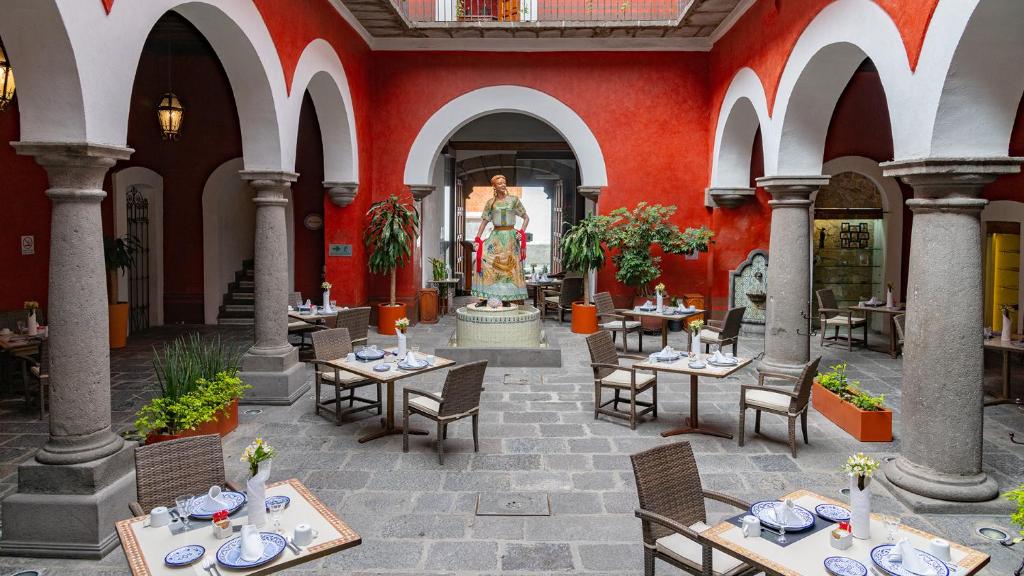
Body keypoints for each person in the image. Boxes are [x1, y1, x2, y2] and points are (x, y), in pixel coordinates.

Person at [472, 174, 529, 303]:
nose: (503, 185)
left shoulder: (514, 200)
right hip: (496, 236)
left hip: (511, 238)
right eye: (500, 183)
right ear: (494, 187)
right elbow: (484, 222)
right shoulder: (490, 203)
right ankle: (488, 295)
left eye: (504, 182)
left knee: (511, 266)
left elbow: (526, 218)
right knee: (483, 258)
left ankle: (510, 298)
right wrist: (477, 239)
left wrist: (522, 232)